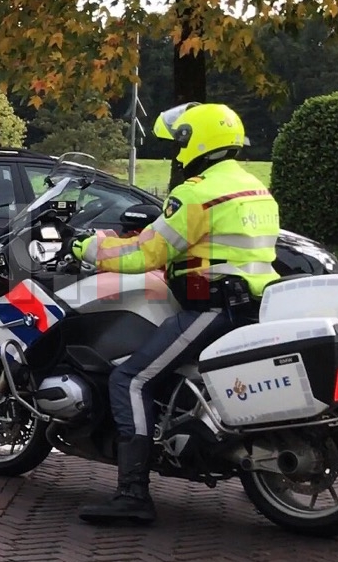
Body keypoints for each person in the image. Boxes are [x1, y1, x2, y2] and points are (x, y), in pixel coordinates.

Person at [71, 103, 278, 525]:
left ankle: (132, 494)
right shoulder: (255, 187)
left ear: (195, 141)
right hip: (256, 304)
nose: (174, 152)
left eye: (178, 142)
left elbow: (146, 253)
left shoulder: (197, 192)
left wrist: (89, 248)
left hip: (212, 307)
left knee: (129, 379)